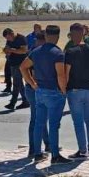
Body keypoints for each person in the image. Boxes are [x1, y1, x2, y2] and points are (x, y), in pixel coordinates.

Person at [20, 25, 69, 164]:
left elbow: (23, 67)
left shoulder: (36, 51)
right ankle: (55, 155)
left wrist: (32, 83)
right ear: (58, 37)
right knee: (53, 125)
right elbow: (60, 74)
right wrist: (64, 91)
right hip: (54, 92)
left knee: (39, 124)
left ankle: (37, 154)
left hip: (40, 91)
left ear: (46, 36)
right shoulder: (58, 53)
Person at [64, 23, 89, 159]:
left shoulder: (70, 52)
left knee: (78, 121)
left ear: (73, 34)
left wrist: (63, 88)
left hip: (75, 89)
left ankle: (82, 150)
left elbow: (66, 73)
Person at [2, 28, 30, 110]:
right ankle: (26, 101)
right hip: (12, 63)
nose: (8, 39)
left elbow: (24, 51)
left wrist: (12, 50)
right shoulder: (9, 41)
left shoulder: (21, 38)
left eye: (8, 37)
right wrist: (6, 51)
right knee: (19, 84)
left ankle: (13, 102)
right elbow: (7, 48)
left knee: (16, 83)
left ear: (12, 33)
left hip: (20, 63)